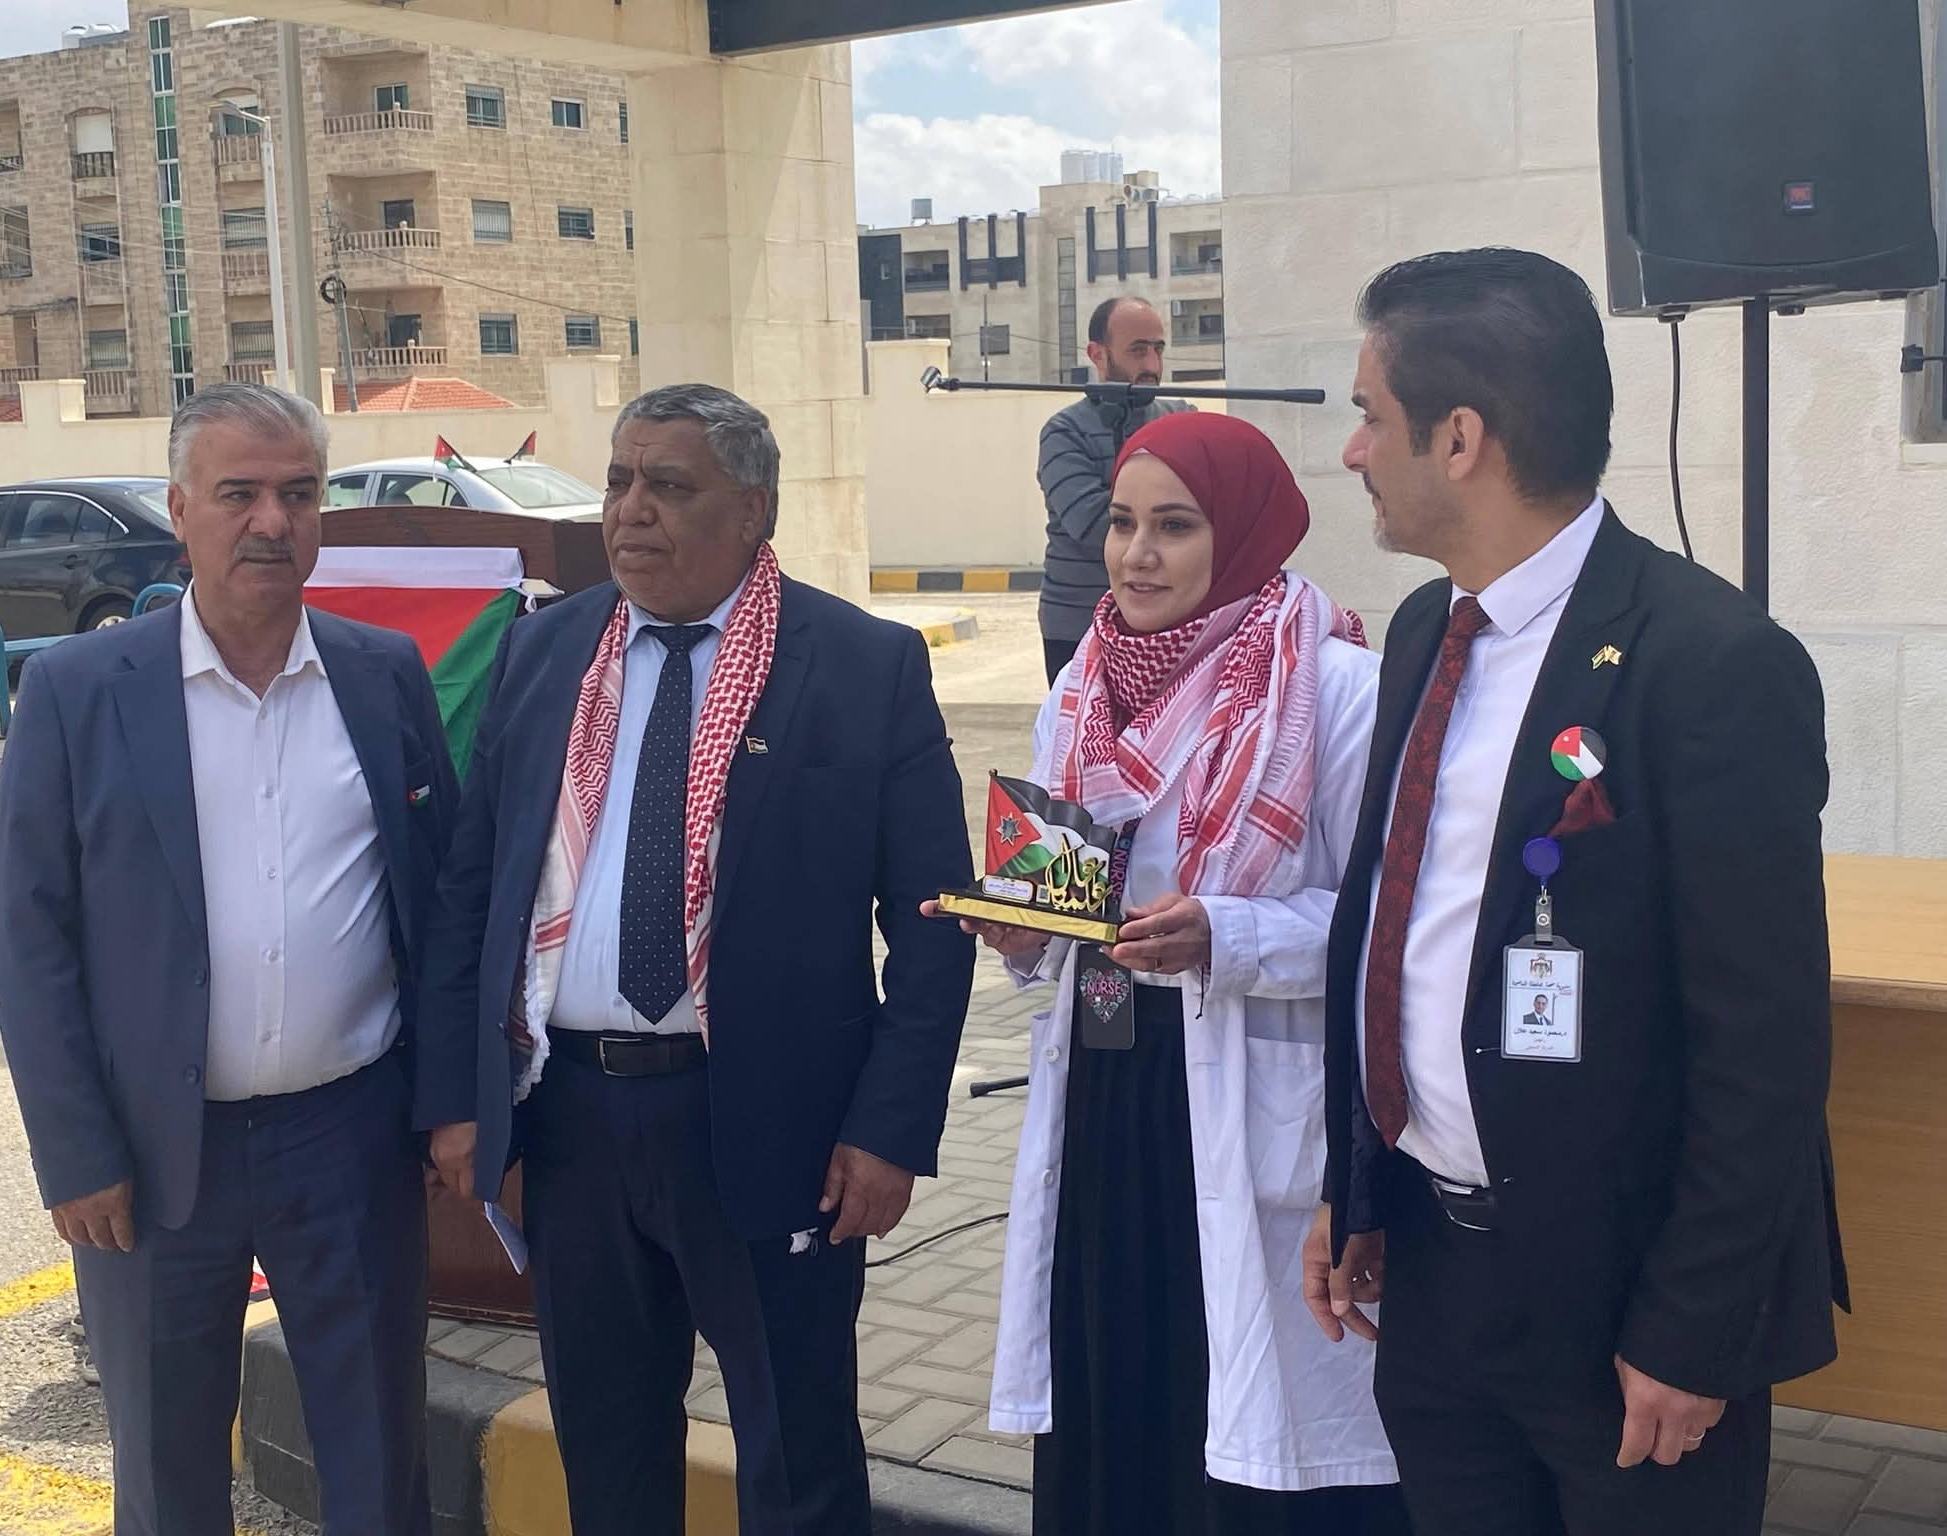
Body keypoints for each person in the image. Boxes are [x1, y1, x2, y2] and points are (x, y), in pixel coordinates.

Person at [1305, 248, 1846, 1536]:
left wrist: (1690, 1329)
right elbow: (1391, 929)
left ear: (1457, 440)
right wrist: (1359, 1184)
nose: (1351, 452)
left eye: (1367, 415)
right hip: (1435, 1279)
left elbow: (1762, 1046)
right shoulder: (1423, 632)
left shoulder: (1709, 663)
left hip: (1624, 1310)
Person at [418, 384, 975, 1536]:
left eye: (669, 487)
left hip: (775, 1129)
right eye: (619, 481)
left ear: (750, 511)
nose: (631, 510)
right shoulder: (544, 650)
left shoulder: (859, 666)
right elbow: (474, 888)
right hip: (571, 1122)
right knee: (608, 1451)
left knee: (797, 1460)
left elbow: (931, 924)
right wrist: (458, 1098)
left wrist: (887, 1130)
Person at [0, 382, 457, 1536]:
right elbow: (29, 941)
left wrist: (446, 1103)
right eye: (239, 493)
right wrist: (75, 1150)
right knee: (166, 1474)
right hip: (152, 1159)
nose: (271, 522)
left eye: (298, 493)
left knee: (379, 1458)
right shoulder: (78, 693)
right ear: (180, 508)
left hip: (349, 1140)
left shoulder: (383, 674)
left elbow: (442, 905)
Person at [949, 411, 1405, 1535]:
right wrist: (1024, 932)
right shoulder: (1082, 686)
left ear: (1242, 533)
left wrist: (1225, 935)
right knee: (1113, 1375)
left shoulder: (1335, 688)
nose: (1136, 555)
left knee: (1239, 1406)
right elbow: (1069, 894)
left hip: (1249, 1097)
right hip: (1108, 1087)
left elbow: (1384, 927)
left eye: (1175, 526)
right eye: (1120, 523)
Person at [1037, 294, 1196, 684]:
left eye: (1158, 350)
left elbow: (1214, 512)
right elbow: (1095, 527)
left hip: (1168, 619)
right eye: (1138, 351)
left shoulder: (1182, 418)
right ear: (1098, 354)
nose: (1152, 366)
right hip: (1078, 624)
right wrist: (1175, 519)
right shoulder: (1063, 432)